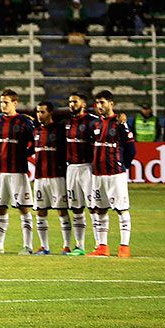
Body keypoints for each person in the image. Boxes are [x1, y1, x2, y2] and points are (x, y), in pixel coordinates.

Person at [88, 90, 135, 258]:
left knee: (121, 210)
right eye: (97, 103)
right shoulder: (95, 124)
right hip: (98, 175)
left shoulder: (119, 123)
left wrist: (123, 165)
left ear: (111, 104)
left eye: (103, 103)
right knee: (99, 210)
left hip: (115, 174)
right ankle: (102, 247)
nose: (99, 106)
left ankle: (124, 247)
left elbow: (131, 149)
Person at [0, 89, 36, 254]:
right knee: (0, 207)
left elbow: (36, 140)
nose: (3, 105)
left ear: (15, 103)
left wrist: (25, 154)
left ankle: (28, 246)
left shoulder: (24, 122)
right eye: (1, 102)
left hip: (17, 171)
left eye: (6, 102)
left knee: (23, 208)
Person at [30, 100, 72, 255]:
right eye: (38, 112)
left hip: (57, 176)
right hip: (40, 177)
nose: (39, 115)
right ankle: (44, 246)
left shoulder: (60, 129)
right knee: (40, 211)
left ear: (50, 113)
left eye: (43, 112)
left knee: (62, 211)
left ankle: (67, 246)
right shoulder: (36, 130)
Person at [63, 92, 98, 255]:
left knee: (93, 207)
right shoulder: (67, 122)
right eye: (70, 102)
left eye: (75, 101)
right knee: (76, 208)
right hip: (71, 168)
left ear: (83, 104)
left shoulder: (92, 121)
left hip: (87, 168)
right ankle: (80, 246)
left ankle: (100, 245)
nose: (71, 104)